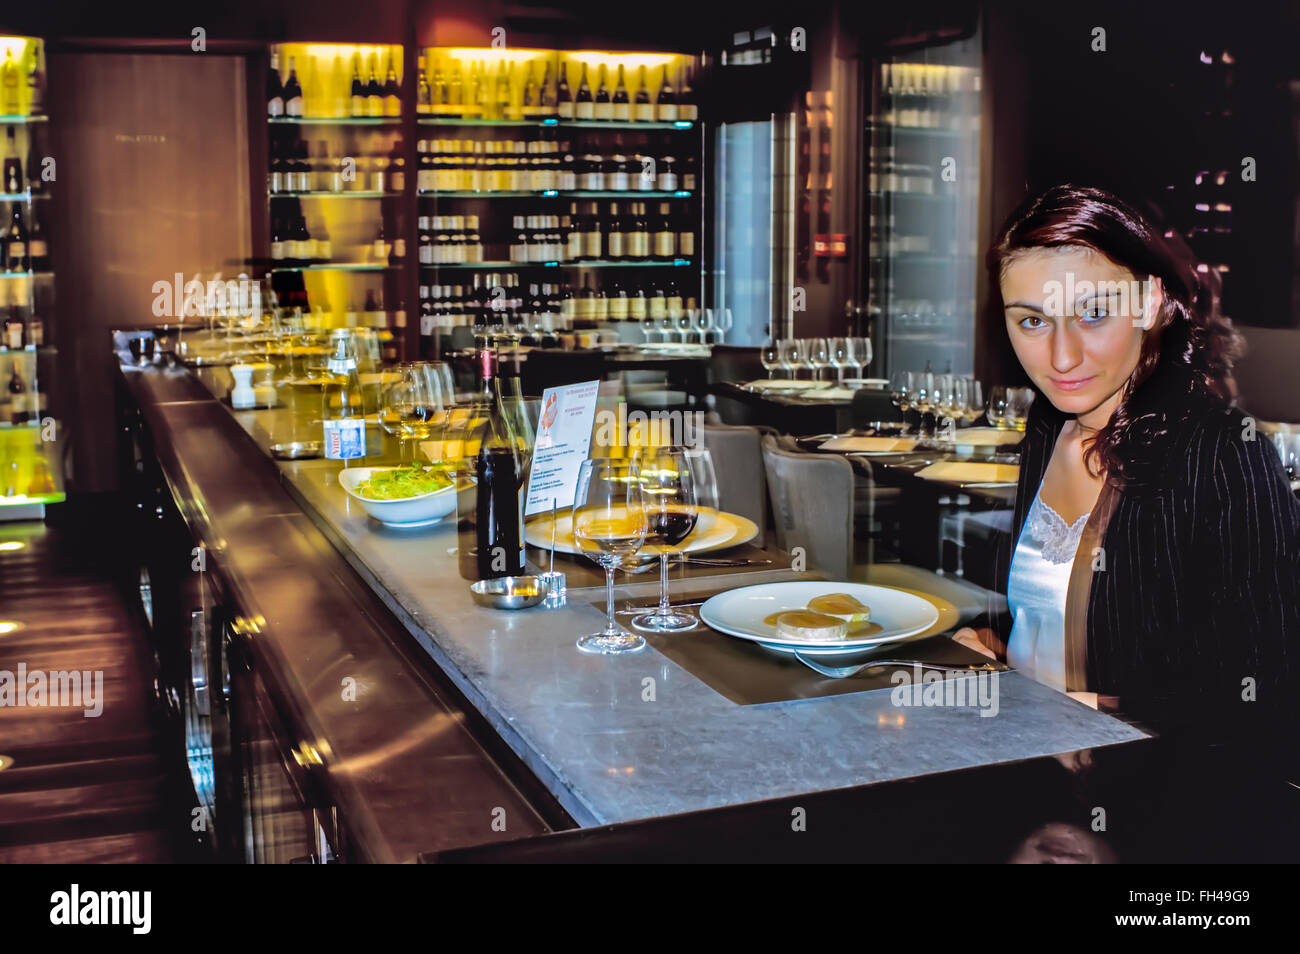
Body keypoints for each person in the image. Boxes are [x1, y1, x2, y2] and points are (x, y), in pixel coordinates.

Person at [952, 184, 1300, 766]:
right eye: (1032, 321)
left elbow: (1264, 692)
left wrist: (1097, 710)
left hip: (1158, 807)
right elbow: (1055, 614)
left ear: (1152, 302)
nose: (1061, 358)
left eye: (1093, 313)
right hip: (1031, 774)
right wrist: (993, 646)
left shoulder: (1224, 455)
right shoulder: (1049, 426)